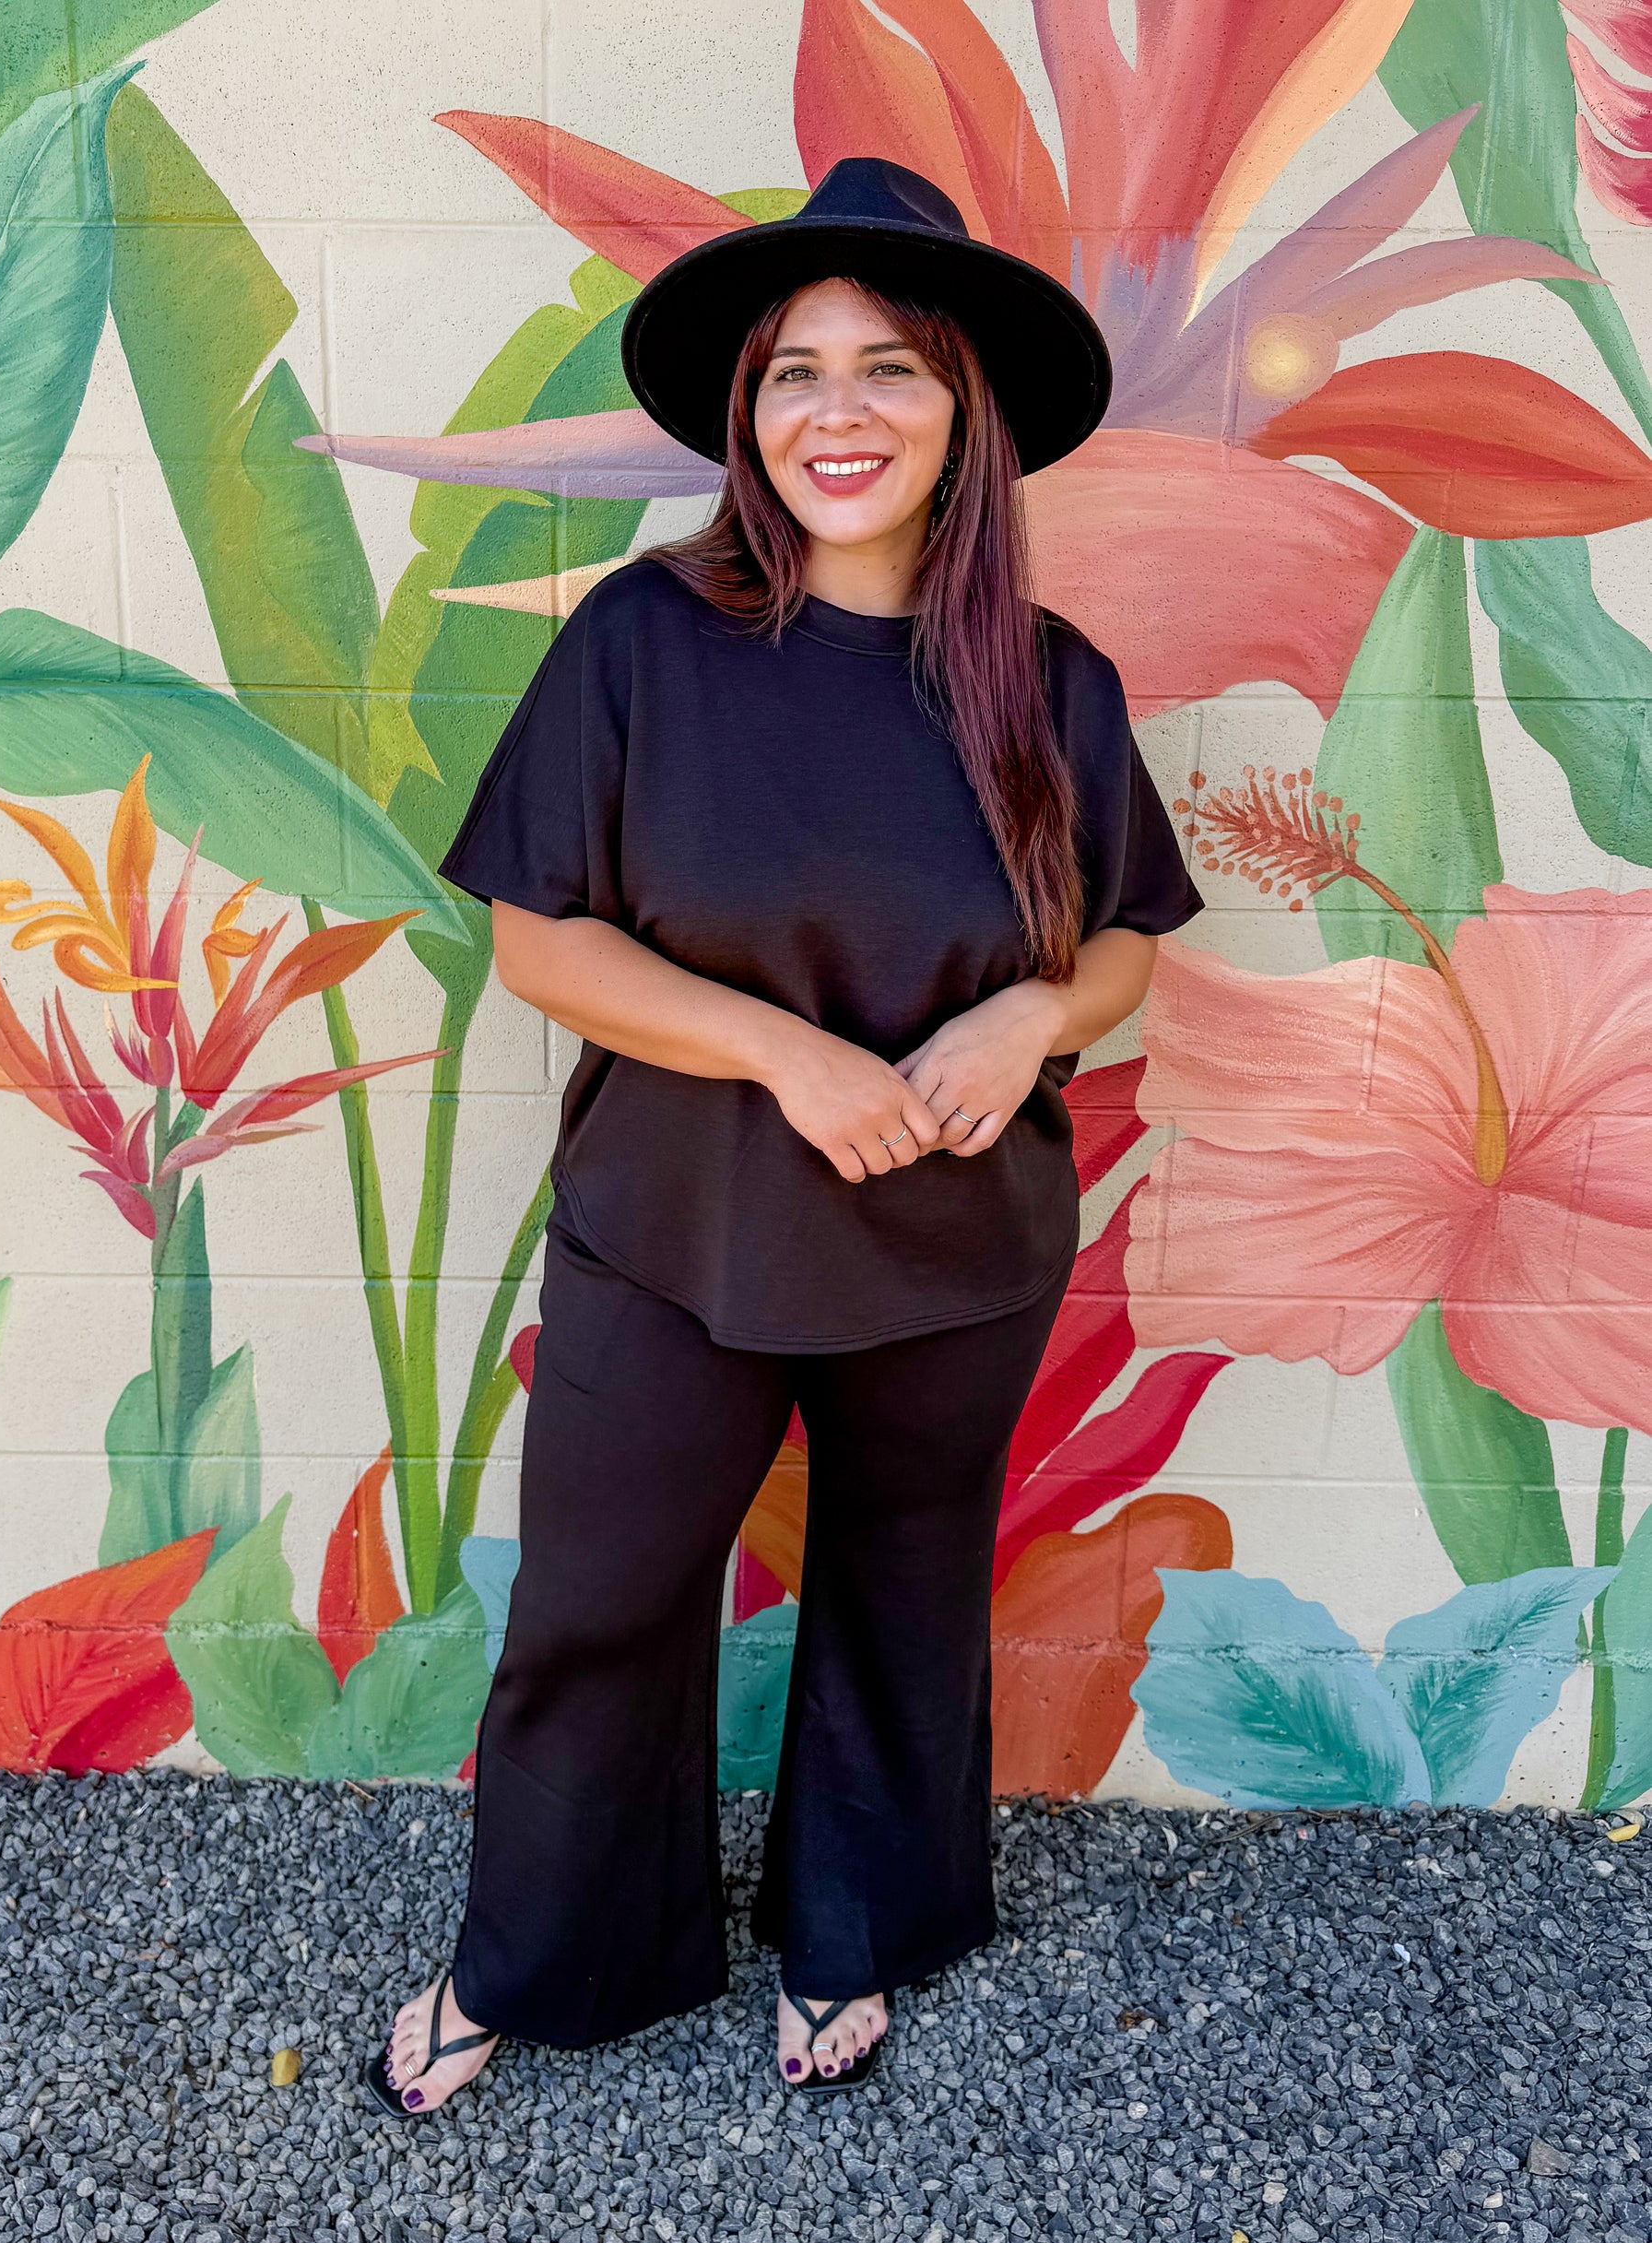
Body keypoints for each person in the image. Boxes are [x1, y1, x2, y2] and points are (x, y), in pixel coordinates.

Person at [367, 157, 1202, 2114]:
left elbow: (1124, 945)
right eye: (793, 373)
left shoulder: (1048, 680)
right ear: (745, 414)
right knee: (598, 1604)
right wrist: (781, 1055)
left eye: (889, 368)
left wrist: (1031, 1011)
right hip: (677, 1227)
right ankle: (542, 1953)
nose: (839, 413)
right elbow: (539, 939)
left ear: (963, 411)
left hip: (954, 1250)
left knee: (904, 1594)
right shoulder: (642, 641)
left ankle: (854, 1927)